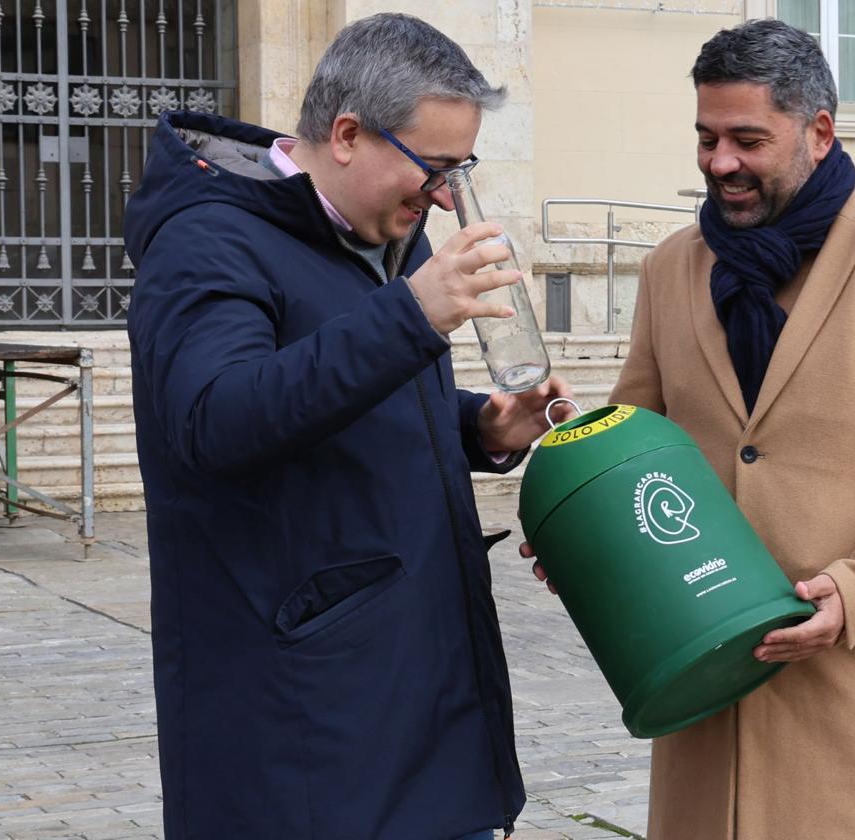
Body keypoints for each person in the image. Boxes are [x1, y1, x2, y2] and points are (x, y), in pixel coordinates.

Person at [528, 18, 855, 840]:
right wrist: (586, 540)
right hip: (701, 676)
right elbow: (640, 434)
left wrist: (854, 593)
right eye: (705, 139)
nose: (719, 163)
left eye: (746, 139)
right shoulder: (671, 267)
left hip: (849, 683)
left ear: (818, 131)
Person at [125, 13, 571, 840]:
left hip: (418, 710)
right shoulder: (207, 240)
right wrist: (413, 314)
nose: (443, 193)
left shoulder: (384, 237)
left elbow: (356, 401)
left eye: (458, 168)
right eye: (433, 167)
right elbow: (215, 419)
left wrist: (484, 428)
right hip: (301, 739)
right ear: (346, 134)